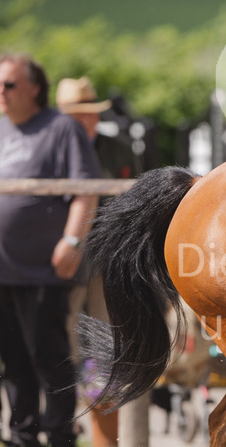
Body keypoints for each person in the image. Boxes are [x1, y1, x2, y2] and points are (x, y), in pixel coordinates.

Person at [0, 54, 101, 447]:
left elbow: (86, 192)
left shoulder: (61, 129)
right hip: (3, 270)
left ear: (33, 88)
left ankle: (59, 435)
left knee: (48, 358)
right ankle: (21, 435)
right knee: (13, 361)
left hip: (44, 268)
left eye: (8, 84)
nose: (2, 93)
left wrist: (71, 242)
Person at [55, 76, 142, 446]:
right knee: (63, 332)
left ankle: (101, 424)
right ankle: (66, 413)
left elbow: (133, 200)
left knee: (105, 335)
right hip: (63, 257)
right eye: (77, 114)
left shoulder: (117, 148)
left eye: (90, 114)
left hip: (107, 257)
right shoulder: (52, 147)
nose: (85, 121)